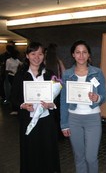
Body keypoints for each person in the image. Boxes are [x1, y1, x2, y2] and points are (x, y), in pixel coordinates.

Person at [11, 42, 61, 173]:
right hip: (28, 120)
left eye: (40, 54)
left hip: (46, 120)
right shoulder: (21, 75)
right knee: (30, 151)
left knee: (47, 150)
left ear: (44, 56)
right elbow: (14, 98)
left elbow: (56, 97)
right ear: (27, 55)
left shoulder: (49, 74)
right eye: (33, 53)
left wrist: (51, 104)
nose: (37, 57)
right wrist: (23, 105)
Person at [60, 40, 106, 173]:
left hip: (93, 119)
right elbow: (63, 100)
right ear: (73, 55)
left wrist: (97, 98)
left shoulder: (97, 73)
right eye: (78, 52)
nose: (81, 55)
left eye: (84, 52)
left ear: (88, 55)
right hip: (73, 119)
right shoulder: (67, 74)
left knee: (91, 157)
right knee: (79, 157)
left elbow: (103, 96)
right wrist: (64, 124)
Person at [45, 43, 65, 139]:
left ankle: (50, 133)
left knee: (49, 112)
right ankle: (59, 133)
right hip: (57, 88)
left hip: (47, 89)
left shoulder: (45, 62)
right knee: (58, 112)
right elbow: (64, 73)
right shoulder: (57, 61)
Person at [5, 48, 22, 115]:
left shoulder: (17, 60)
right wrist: (12, 71)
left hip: (16, 76)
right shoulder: (8, 60)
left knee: (17, 91)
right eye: (17, 55)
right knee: (13, 91)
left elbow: (21, 64)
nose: (17, 56)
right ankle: (13, 108)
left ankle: (17, 108)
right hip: (11, 76)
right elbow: (6, 70)